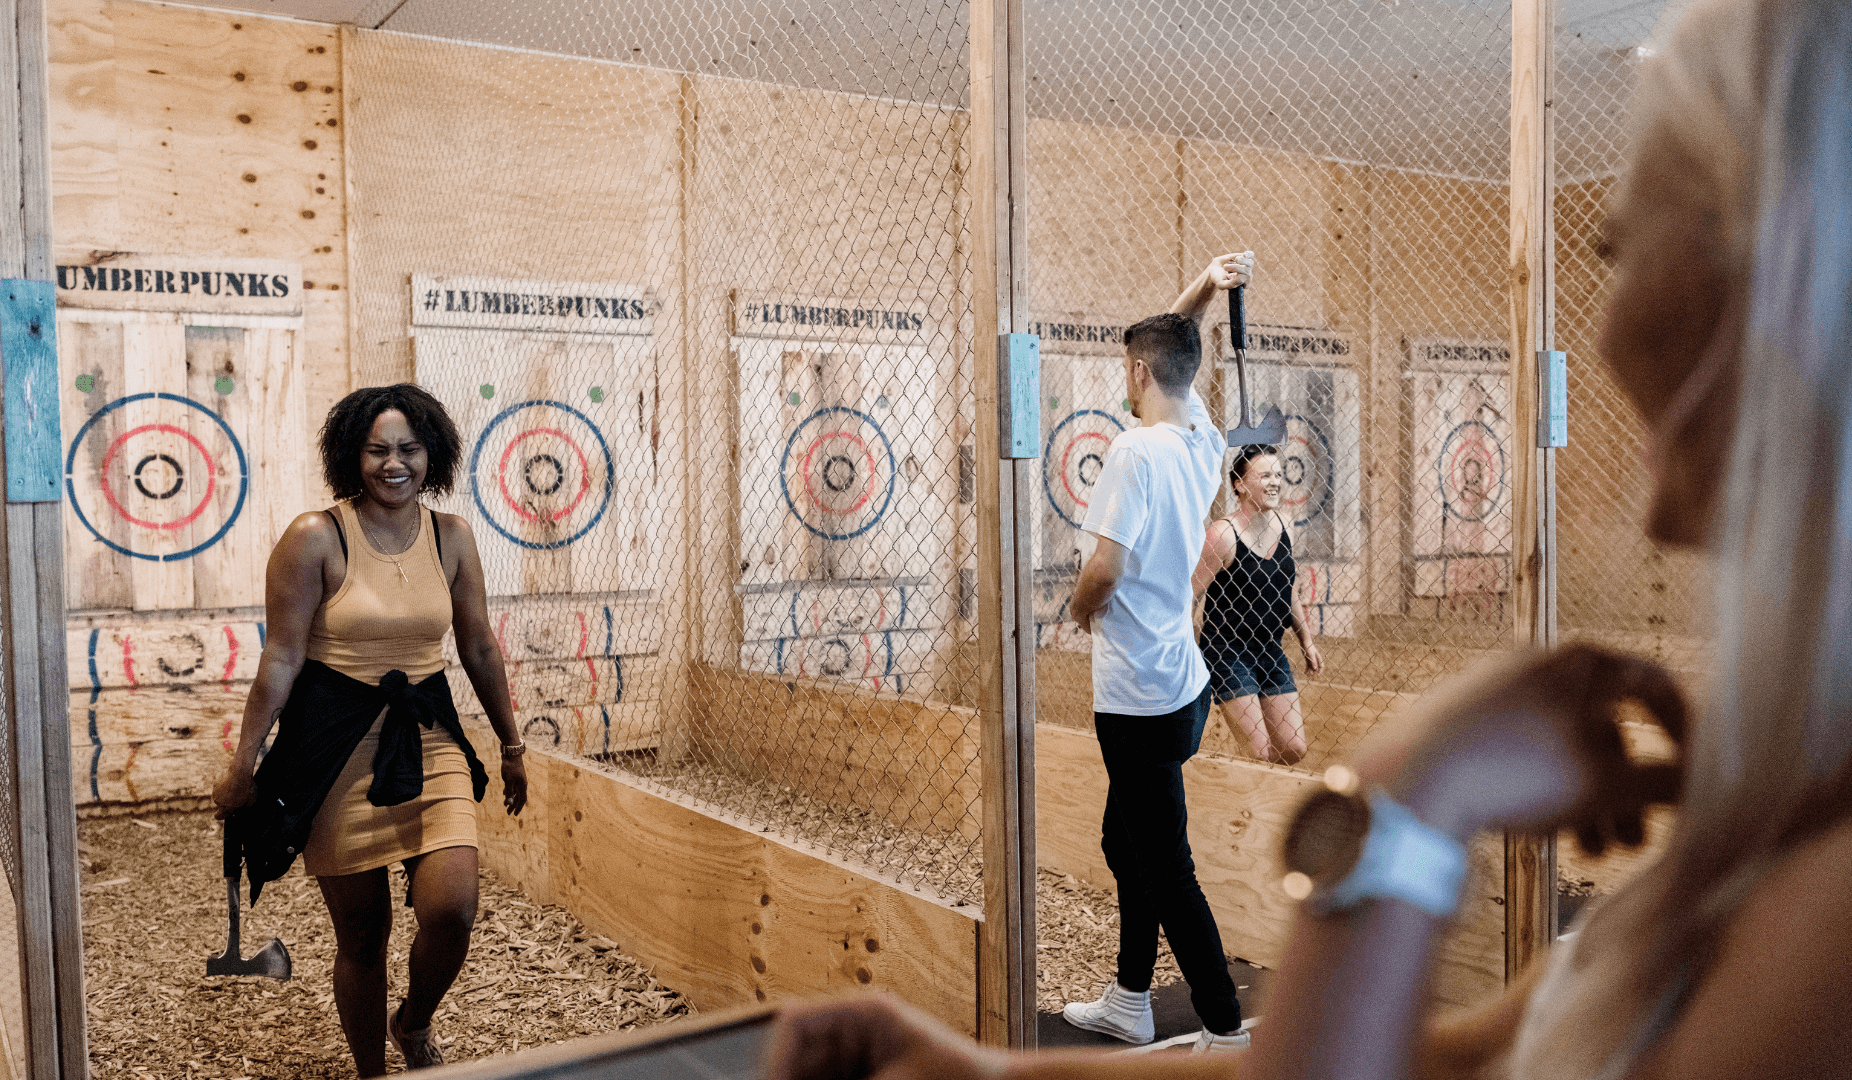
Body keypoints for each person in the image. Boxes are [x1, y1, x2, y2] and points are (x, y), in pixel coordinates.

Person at [764, 1, 1852, 1077]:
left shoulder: (1824, 921)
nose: (1599, 328)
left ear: (1795, 275)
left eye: (1638, 242)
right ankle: (1146, 999)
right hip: (1192, 671)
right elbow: (1453, 1055)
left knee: (1153, 845)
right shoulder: (1772, 832)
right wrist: (993, 1075)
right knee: (1144, 842)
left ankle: (1186, 999)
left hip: (1153, 680)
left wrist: (1406, 798)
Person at [211, 384, 528, 1076]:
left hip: (428, 736)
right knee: (362, 933)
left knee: (452, 910)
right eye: (377, 449)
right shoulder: (314, 536)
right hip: (335, 748)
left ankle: (412, 1022)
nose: (394, 463)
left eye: (409, 449)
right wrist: (243, 765)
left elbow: (478, 648)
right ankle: (372, 1073)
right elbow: (282, 656)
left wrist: (510, 745)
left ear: (431, 454)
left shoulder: (453, 537)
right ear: (352, 456)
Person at [1056, 250, 1255, 1054]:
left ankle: (1224, 1027)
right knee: (1122, 839)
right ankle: (1130, 998)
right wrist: (1206, 288)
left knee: (1166, 866)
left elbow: (1103, 567)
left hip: (1136, 697)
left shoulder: (1135, 451)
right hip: (1184, 689)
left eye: (1127, 368)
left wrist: (1077, 611)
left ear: (1138, 371)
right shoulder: (1199, 436)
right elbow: (1180, 342)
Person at [1195, 443, 1324, 764]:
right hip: (1227, 651)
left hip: (1270, 649)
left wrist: (1306, 640)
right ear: (1239, 484)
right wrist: (1187, 655)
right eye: (1265, 474)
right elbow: (1190, 595)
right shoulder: (1222, 535)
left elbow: (1287, 587)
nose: (1275, 481)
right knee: (1259, 752)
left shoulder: (1285, 526)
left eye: (1279, 474)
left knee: (1293, 748)